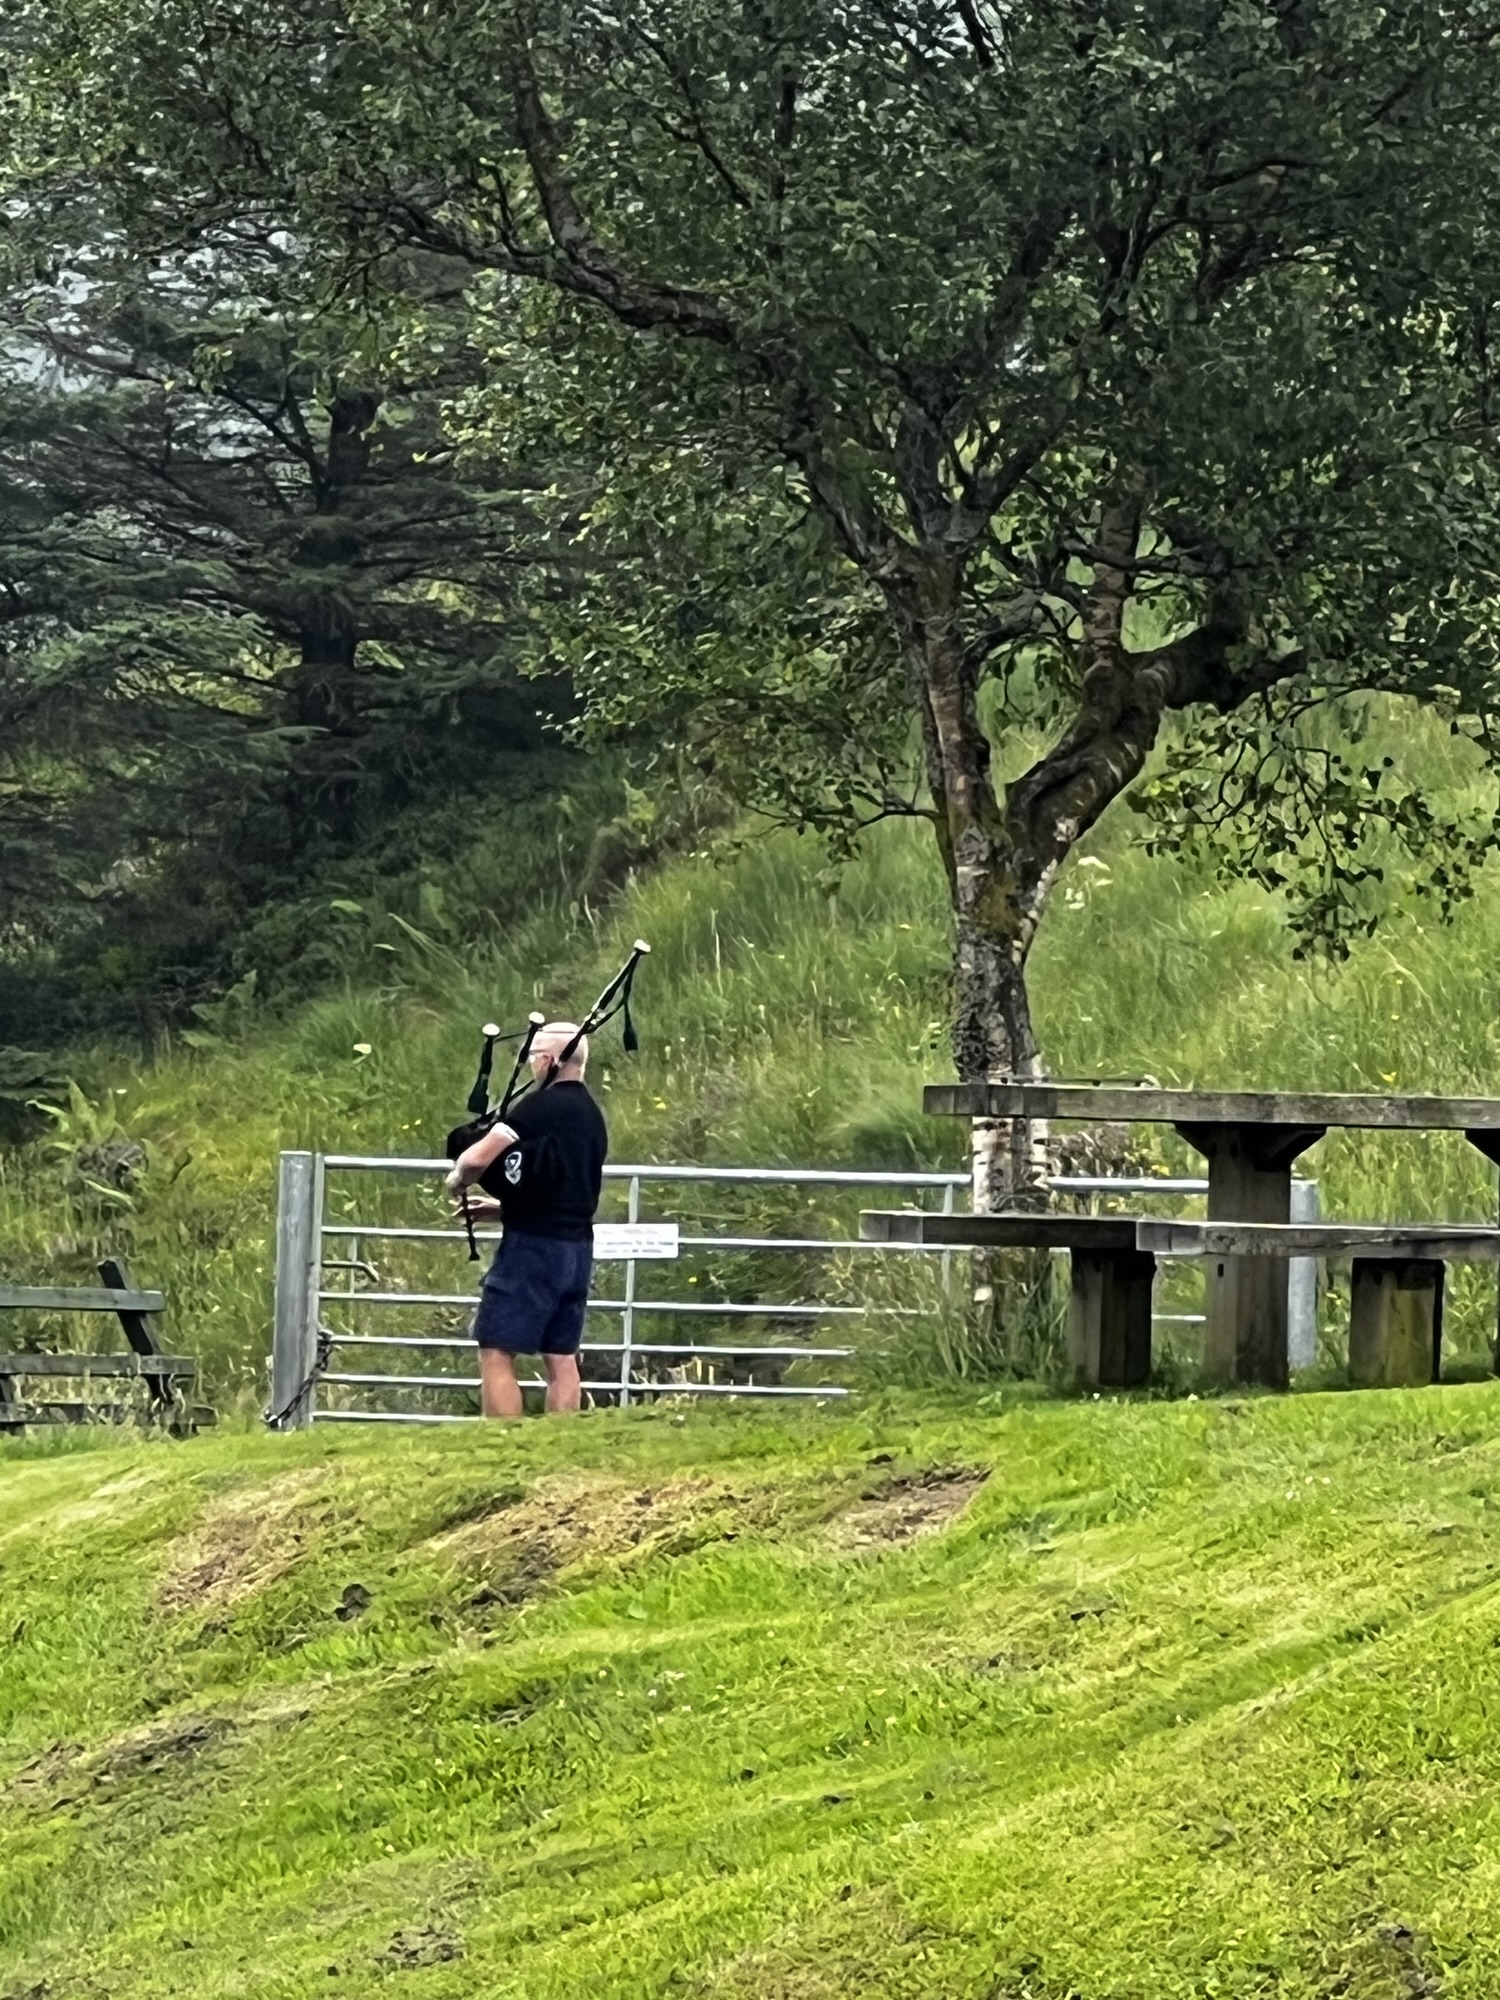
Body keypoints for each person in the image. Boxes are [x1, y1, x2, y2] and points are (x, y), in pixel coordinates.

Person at [445, 1021, 608, 1418]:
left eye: (535, 1055)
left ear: (550, 1060)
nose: (533, 1063)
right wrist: (502, 1209)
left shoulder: (538, 1108)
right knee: (561, 1354)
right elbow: (567, 1188)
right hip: (577, 1250)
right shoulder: (592, 1115)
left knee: (496, 1348)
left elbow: (477, 1158)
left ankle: (505, 1440)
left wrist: (457, 1179)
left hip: (532, 1249)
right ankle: (560, 1439)